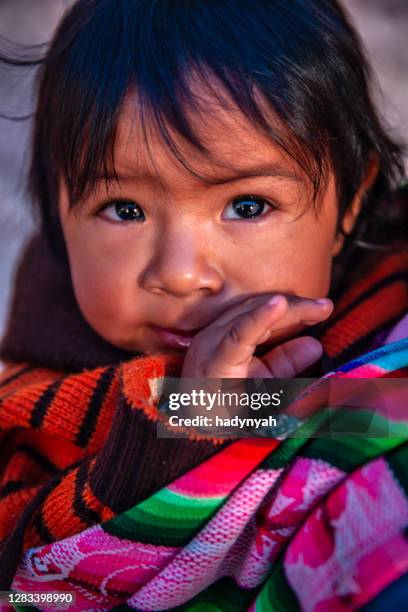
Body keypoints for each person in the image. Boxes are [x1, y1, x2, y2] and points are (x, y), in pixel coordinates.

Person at [0, 0, 407, 609]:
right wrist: (193, 417)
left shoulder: (394, 286)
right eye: (125, 210)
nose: (180, 274)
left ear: (350, 206)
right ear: (60, 214)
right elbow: (31, 588)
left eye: (246, 206)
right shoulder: (37, 405)